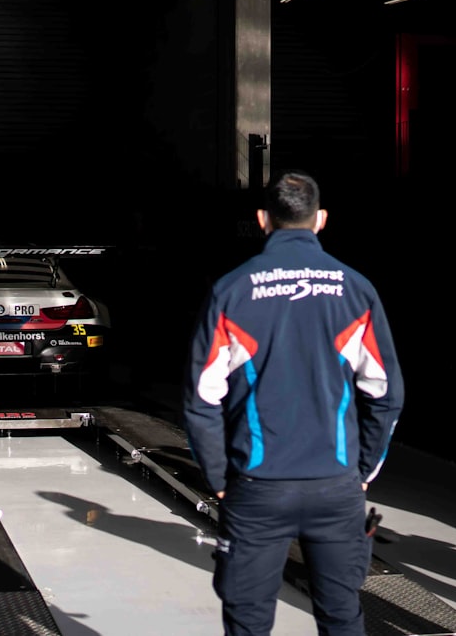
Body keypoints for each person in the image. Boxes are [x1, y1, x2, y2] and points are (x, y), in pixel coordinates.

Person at [182, 170, 404, 636]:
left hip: (257, 487)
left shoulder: (232, 290)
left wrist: (222, 479)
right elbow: (386, 394)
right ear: (321, 220)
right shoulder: (356, 290)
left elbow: (202, 400)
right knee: (342, 618)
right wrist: (361, 471)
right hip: (336, 488)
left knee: (248, 621)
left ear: (263, 220)